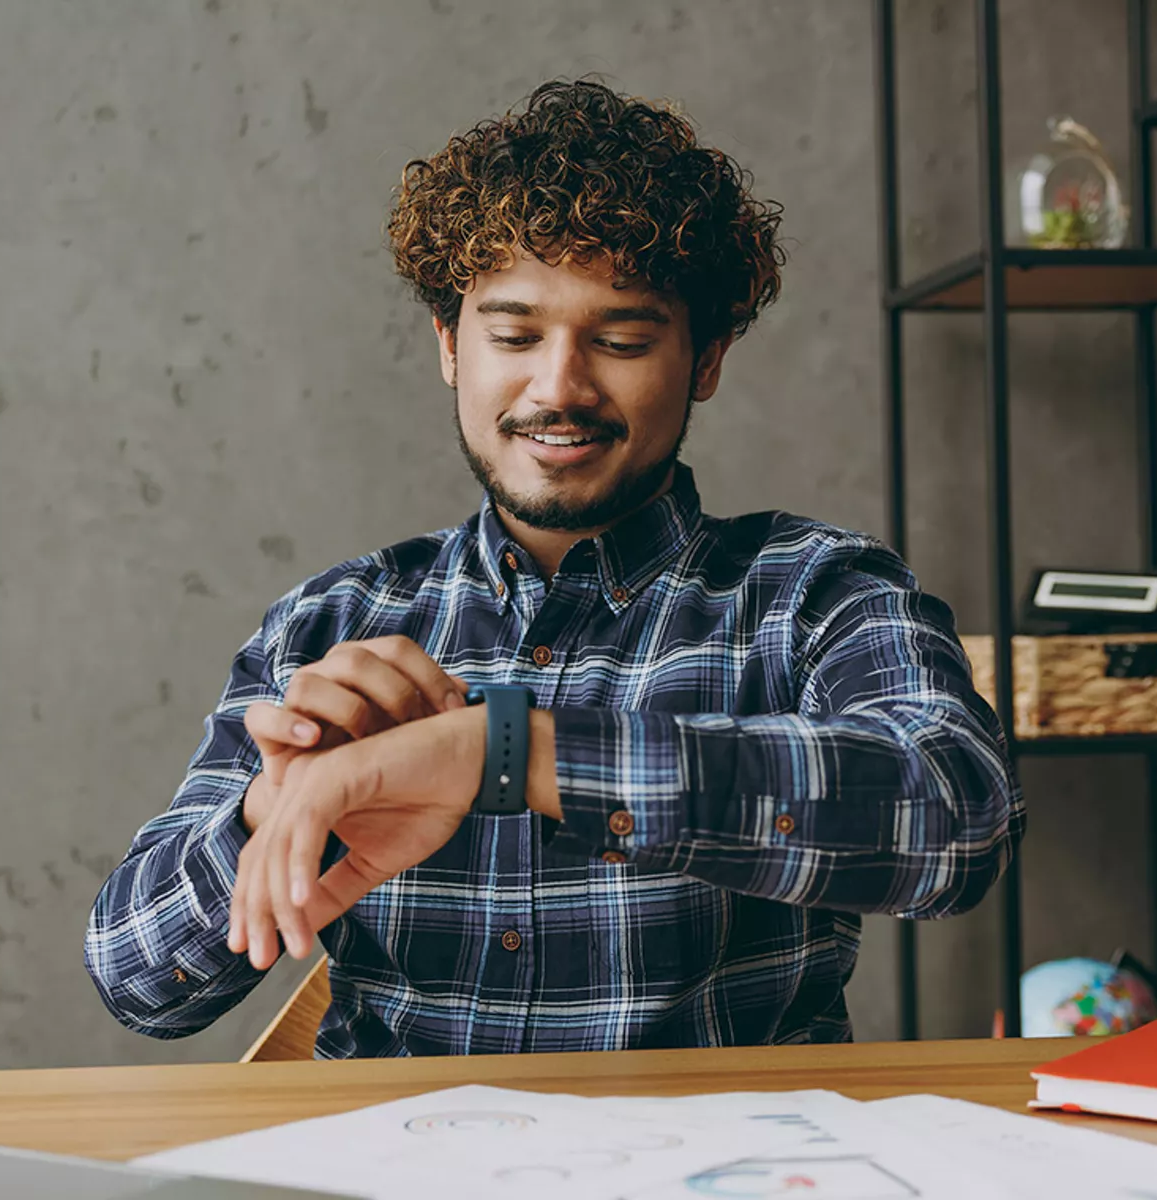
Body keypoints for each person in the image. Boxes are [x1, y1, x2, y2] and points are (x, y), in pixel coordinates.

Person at [86, 78, 1023, 1057]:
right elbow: (139, 985)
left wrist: (504, 752)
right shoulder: (333, 622)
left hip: (719, 1142)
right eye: (513, 335)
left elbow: (957, 820)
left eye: (620, 340)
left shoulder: (814, 592)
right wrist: (282, 812)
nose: (559, 388)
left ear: (705, 361)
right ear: (450, 349)